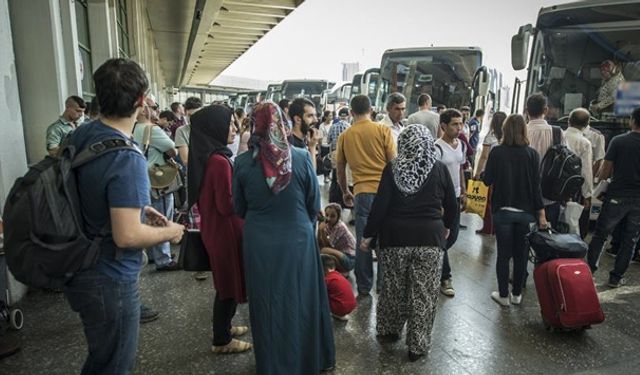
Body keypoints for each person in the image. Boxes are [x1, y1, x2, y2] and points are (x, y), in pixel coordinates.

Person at [65, 58, 184, 374]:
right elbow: (128, 236)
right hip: (109, 276)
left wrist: (139, 207)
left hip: (77, 264)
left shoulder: (83, 135)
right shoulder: (126, 156)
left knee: (101, 358)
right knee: (114, 365)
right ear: (141, 101)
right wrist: (171, 233)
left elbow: (92, 190)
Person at [233, 102, 335, 373]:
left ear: (256, 125)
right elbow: (314, 204)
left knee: (267, 302)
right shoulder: (301, 158)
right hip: (298, 240)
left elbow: (239, 209)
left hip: (259, 243)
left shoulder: (242, 163)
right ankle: (309, 360)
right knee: (301, 298)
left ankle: (273, 365)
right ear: (282, 123)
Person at [361, 124, 457, 361]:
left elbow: (380, 207)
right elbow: (453, 207)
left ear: (402, 143)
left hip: (395, 239)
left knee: (393, 288)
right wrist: (447, 230)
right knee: (424, 293)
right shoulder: (439, 169)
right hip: (430, 239)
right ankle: (417, 346)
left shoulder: (392, 169)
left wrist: (368, 236)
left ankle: (389, 331)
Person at [188, 105, 251, 354]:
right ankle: (221, 339)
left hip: (217, 229)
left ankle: (224, 326)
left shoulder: (209, 157)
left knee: (227, 283)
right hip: (225, 232)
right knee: (227, 285)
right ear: (215, 128)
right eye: (230, 124)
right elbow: (227, 204)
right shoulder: (218, 162)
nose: (235, 129)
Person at [482, 114, 548, 306]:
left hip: (502, 210)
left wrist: (485, 173)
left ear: (504, 130)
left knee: (503, 255)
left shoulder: (497, 152)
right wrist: (541, 212)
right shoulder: (532, 154)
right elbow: (536, 187)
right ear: (523, 130)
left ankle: (503, 295)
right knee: (521, 255)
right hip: (525, 213)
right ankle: (517, 294)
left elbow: (487, 180)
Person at [336, 95, 396, 296]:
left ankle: (363, 287)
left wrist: (345, 191)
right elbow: (393, 164)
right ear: (371, 110)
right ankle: (384, 284)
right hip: (385, 193)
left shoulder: (345, 135)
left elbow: (340, 167)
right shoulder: (383, 130)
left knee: (364, 240)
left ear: (351, 112)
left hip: (361, 193)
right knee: (386, 238)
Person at [587, 107, 640, 288]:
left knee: (601, 234)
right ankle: (615, 278)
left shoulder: (619, 141)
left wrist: (600, 181)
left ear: (632, 121)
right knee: (630, 239)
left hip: (617, 194)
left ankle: (590, 272)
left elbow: (605, 171)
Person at [132, 95, 180, 271]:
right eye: (153, 107)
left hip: (142, 178)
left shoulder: (133, 128)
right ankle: (164, 259)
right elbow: (173, 150)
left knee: (150, 217)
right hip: (158, 179)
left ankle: (154, 254)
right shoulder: (153, 130)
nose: (156, 110)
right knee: (162, 216)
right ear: (144, 109)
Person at [434, 109, 467, 297]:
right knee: (443, 236)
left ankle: (435, 258)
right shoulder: (437, 147)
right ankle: (445, 277)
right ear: (444, 126)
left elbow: (460, 168)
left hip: (455, 196)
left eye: (460, 123)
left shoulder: (461, 145)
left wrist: (463, 190)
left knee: (452, 236)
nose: (459, 127)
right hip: (441, 199)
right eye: (455, 124)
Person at [525, 93, 566, 228]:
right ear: (545, 110)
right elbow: (565, 160)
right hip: (551, 193)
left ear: (526, 111)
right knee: (548, 239)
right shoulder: (558, 132)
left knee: (522, 240)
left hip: (524, 194)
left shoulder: (520, 131)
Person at [473, 111, 507, 235]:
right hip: (505, 174)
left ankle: (489, 228)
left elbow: (484, 156)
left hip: (492, 173)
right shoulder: (508, 136)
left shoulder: (490, 136)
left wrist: (477, 173)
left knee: (488, 203)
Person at [563, 108, 594, 238]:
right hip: (573, 190)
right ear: (586, 125)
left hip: (553, 187)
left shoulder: (558, 135)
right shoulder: (585, 143)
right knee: (570, 221)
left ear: (568, 121)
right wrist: (587, 195)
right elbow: (586, 171)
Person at [317, 203, 356, 274]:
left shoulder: (340, 226)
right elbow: (319, 243)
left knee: (324, 251)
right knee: (322, 251)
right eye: (327, 215)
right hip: (342, 254)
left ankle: (344, 270)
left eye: (333, 216)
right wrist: (320, 228)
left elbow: (327, 247)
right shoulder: (329, 225)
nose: (328, 218)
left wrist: (321, 230)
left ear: (338, 217)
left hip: (350, 259)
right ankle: (342, 270)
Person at [321, 254, 356, 321]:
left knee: (322, 294)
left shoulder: (327, 279)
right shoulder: (339, 274)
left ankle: (337, 313)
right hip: (352, 305)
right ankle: (340, 313)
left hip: (341, 307)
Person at [288, 98, 320, 170]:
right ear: (297, 119)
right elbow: (311, 175)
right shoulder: (292, 145)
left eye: (315, 115)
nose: (316, 120)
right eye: (310, 116)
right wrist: (312, 147)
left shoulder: (305, 140)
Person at [175, 96, 203, 167]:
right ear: (185, 114)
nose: (193, 119)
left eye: (197, 115)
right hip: (194, 173)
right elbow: (186, 160)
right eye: (190, 116)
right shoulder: (181, 131)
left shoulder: (210, 129)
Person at [318, 110, 333, 182]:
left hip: (331, 146)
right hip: (324, 146)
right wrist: (319, 149)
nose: (331, 117)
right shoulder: (322, 126)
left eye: (331, 116)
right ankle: (325, 176)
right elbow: (320, 138)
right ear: (325, 117)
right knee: (325, 162)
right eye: (329, 116)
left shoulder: (333, 124)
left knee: (330, 161)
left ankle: (329, 175)